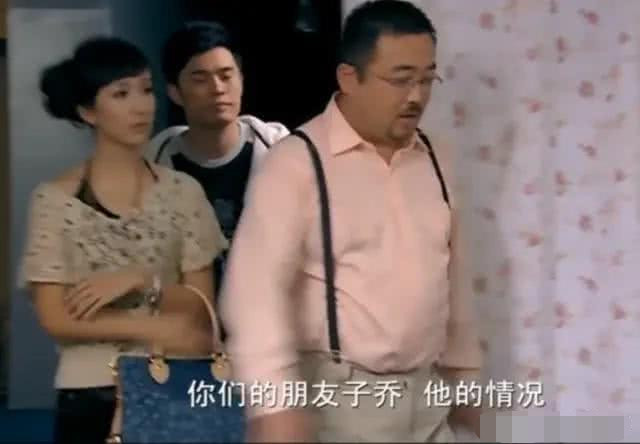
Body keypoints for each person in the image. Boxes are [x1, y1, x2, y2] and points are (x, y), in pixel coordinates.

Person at [220, 0, 484, 442]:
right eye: (401, 79)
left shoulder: (437, 158)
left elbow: (454, 282)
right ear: (348, 77)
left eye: (426, 79)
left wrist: (466, 380)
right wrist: (275, 406)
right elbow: (254, 294)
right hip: (340, 401)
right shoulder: (297, 163)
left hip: (427, 397)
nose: (416, 96)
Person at [20, 37, 227, 443]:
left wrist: (142, 281)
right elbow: (56, 318)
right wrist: (157, 327)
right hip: (88, 390)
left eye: (146, 90)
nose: (141, 106)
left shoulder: (183, 192)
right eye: (121, 94)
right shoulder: (54, 200)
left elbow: (201, 307)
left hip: (172, 382)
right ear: (88, 111)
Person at [146, 21, 289, 306]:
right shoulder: (153, 165)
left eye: (226, 76)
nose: (218, 89)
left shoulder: (283, 153)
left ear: (241, 80)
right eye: (200, 79)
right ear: (175, 92)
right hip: (188, 321)